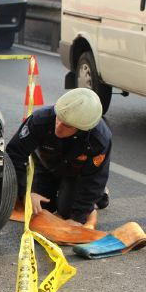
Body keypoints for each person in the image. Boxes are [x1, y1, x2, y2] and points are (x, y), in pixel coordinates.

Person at [6, 88, 112, 229]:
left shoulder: (99, 139)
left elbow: (95, 178)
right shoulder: (40, 120)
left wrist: (78, 218)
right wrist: (25, 193)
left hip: (76, 173)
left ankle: (100, 197)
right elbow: (14, 155)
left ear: (81, 129)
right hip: (45, 166)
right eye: (59, 119)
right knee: (40, 209)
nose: (59, 127)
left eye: (67, 125)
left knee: (67, 212)